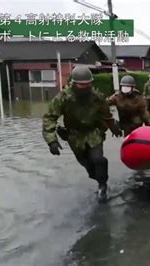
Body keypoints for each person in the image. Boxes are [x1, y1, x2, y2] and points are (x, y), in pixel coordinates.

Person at [42, 66, 122, 203]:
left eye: (88, 84)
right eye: (81, 84)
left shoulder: (97, 97)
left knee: (98, 159)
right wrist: (51, 140)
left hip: (93, 134)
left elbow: (107, 115)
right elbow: (50, 117)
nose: (85, 87)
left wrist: (114, 128)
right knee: (89, 168)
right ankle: (98, 178)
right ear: (74, 83)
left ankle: (103, 186)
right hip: (75, 137)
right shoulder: (64, 97)